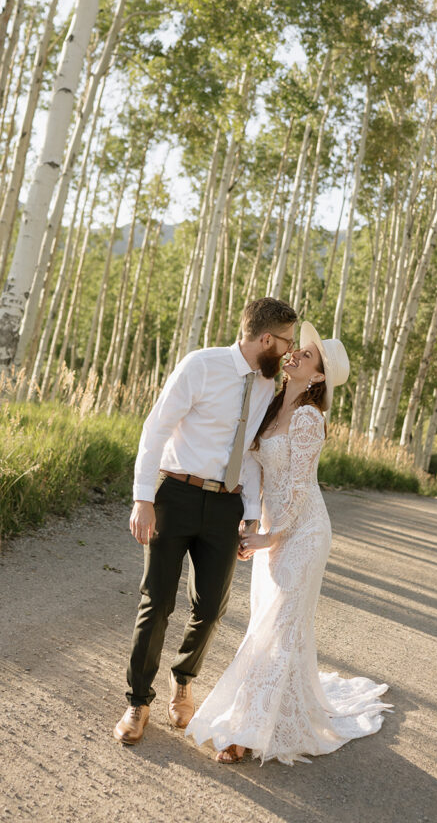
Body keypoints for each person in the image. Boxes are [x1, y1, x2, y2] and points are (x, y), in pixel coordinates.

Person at [185, 321, 392, 765]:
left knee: (276, 627)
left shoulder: (307, 418)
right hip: (271, 530)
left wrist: (268, 537)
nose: (294, 355)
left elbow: (298, 490)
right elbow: (255, 468)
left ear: (317, 377)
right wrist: (251, 522)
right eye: (296, 350)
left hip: (303, 532)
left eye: (307, 356)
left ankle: (245, 729)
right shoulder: (275, 404)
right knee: (270, 623)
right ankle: (273, 711)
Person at [113, 297, 298, 745]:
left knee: (211, 607)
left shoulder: (265, 384)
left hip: (226, 508)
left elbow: (250, 453)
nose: (290, 352)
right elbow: (155, 428)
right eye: (287, 342)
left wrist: (251, 516)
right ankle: (138, 701)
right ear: (266, 339)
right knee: (156, 602)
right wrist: (143, 499)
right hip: (174, 495)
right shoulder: (200, 366)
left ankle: (184, 679)